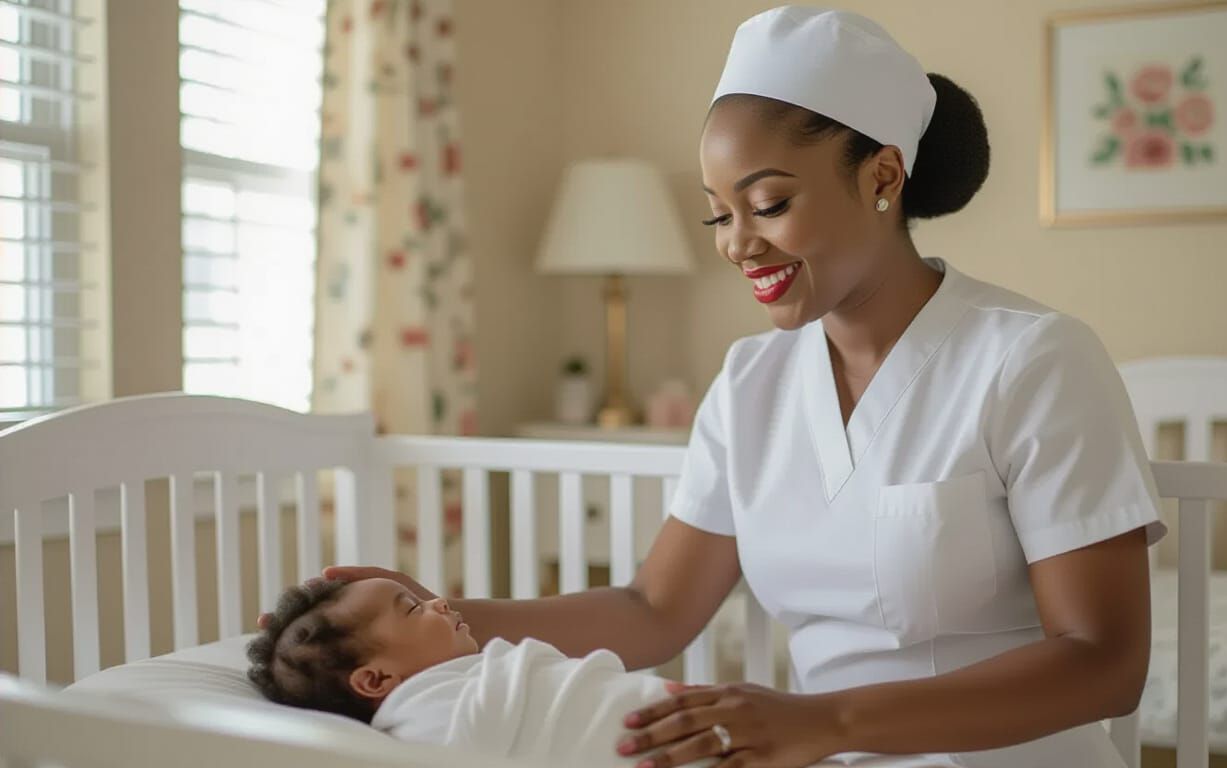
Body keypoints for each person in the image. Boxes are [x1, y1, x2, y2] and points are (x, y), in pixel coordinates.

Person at [264, 7, 1166, 767]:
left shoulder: (1032, 360)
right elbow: (654, 611)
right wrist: (424, 614)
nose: (737, 244)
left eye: (768, 204)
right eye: (718, 213)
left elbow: (1103, 661)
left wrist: (825, 719)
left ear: (883, 176)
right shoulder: (752, 382)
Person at [248, 578, 711, 768]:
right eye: (412, 608)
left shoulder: (470, 676)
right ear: (376, 680)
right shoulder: (428, 717)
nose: (438, 600)